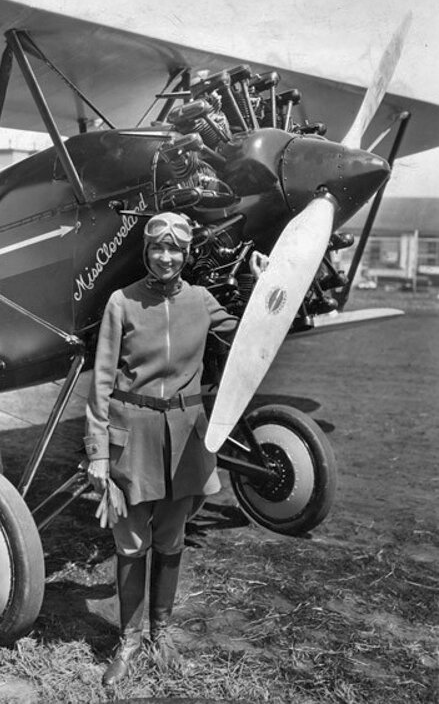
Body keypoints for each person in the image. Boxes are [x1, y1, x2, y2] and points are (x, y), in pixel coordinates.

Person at [84, 211, 268, 686]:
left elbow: (252, 336)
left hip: (186, 439)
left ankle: (159, 636)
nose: (166, 257)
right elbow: (101, 381)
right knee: (130, 542)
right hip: (132, 438)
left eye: (175, 249)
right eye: (157, 248)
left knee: (170, 539)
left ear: (186, 254)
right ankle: (127, 641)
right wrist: (99, 452)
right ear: (146, 252)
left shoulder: (202, 301)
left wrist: (264, 285)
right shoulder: (121, 303)